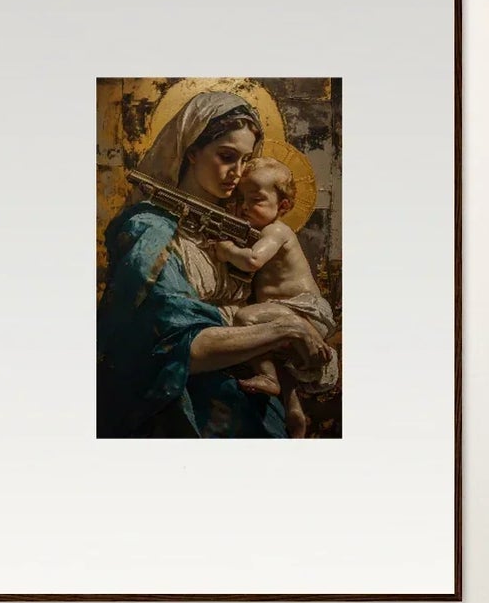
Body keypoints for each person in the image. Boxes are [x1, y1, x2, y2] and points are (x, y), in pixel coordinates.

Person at [96, 89, 328, 438]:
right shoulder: (150, 232)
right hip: (188, 414)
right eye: (225, 156)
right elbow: (177, 347)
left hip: (257, 408)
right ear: (191, 152)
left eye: (244, 161)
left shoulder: (243, 229)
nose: (236, 173)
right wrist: (286, 329)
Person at [216, 158, 339, 439]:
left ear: (282, 206)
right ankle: (295, 419)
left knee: (245, 318)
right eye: (240, 199)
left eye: (256, 199)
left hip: (302, 311)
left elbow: (253, 260)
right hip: (279, 314)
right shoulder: (258, 232)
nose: (245, 206)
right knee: (287, 381)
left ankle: (271, 375)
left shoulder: (276, 231)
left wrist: (225, 250)